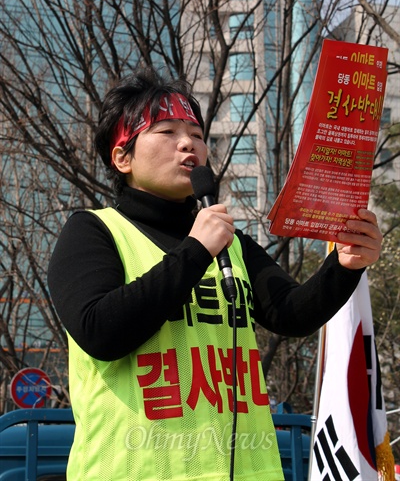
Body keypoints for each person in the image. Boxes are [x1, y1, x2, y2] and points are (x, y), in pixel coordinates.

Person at [48, 66, 383, 481]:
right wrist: (195, 251)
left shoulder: (231, 242)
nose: (188, 143)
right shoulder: (93, 231)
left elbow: (291, 313)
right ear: (122, 157)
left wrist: (344, 266)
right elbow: (100, 330)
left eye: (198, 134)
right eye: (167, 132)